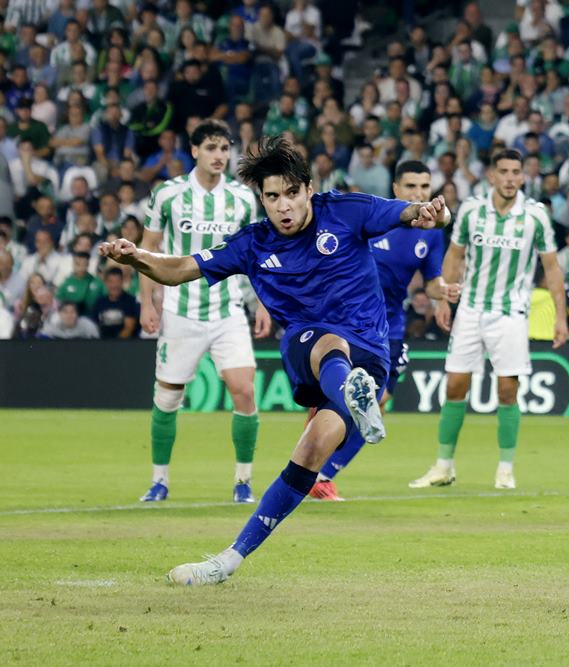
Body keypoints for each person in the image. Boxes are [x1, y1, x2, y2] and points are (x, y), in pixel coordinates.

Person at [98, 135, 451, 585]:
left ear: (307, 189)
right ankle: (227, 561)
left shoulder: (344, 210)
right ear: (261, 199)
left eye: (290, 194)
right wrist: (136, 257)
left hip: (369, 351)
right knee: (316, 397)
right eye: (271, 197)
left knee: (320, 400)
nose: (282, 206)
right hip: (318, 351)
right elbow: (181, 268)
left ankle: (353, 392)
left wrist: (423, 213)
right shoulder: (253, 244)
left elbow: (402, 211)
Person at [410, 149, 567, 492]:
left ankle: (505, 469)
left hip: (510, 312)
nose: (510, 178)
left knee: (508, 390)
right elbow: (455, 255)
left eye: (516, 171)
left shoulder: (535, 216)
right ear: (492, 176)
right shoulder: (471, 210)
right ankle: (443, 465)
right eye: (504, 171)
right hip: (471, 309)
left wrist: (561, 315)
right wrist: (443, 297)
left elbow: (552, 268)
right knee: (454, 385)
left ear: (523, 177)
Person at [309, 161, 460, 501]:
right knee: (338, 403)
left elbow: (432, 282)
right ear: (395, 190)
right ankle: (313, 467)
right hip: (345, 322)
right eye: (411, 187)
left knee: (374, 406)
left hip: (389, 328)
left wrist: (443, 291)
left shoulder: (431, 232)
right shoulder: (373, 217)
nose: (419, 194)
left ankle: (323, 475)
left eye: (424, 187)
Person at [137, 120, 271, 504]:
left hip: (228, 308)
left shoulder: (243, 199)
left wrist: (260, 302)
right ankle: (159, 481)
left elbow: (255, 256)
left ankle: (243, 482)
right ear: (193, 150)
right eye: (211, 148)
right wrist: (148, 301)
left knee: (244, 391)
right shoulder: (168, 194)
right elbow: (149, 250)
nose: (219, 156)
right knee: (167, 398)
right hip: (181, 310)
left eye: (225, 149)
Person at [92, 267, 138, 339]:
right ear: (106, 283)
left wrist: (113, 346)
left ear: (122, 281)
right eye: (111, 281)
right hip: (101, 343)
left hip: (124, 344)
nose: (114, 285)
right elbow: (94, 326)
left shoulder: (130, 301)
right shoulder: (100, 302)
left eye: (117, 281)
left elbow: (129, 328)